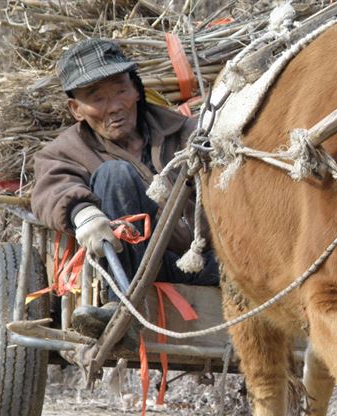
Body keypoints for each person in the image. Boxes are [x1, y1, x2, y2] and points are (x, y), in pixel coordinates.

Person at [31, 38, 218, 336]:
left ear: (136, 90)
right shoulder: (63, 151)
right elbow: (51, 188)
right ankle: (123, 313)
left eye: (121, 90)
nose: (115, 106)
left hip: (208, 260)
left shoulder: (186, 132)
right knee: (114, 174)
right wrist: (82, 212)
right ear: (76, 109)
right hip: (141, 267)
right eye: (97, 98)